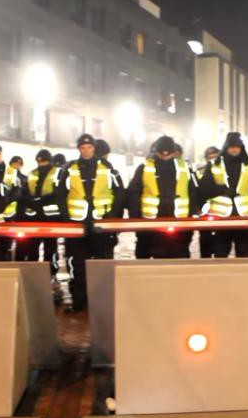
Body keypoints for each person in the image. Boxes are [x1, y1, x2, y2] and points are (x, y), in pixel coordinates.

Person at [59, 134, 125, 312]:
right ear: (79, 149)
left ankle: (101, 301)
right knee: (76, 265)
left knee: (102, 264)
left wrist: (111, 216)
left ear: (94, 148)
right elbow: (60, 195)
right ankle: (79, 300)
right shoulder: (70, 169)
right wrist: (67, 218)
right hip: (77, 226)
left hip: (100, 225)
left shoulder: (107, 168)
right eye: (83, 148)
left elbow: (120, 193)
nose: (86, 151)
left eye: (89, 147)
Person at [128, 136, 197, 259]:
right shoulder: (144, 168)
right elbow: (133, 193)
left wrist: (191, 218)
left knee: (178, 259)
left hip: (179, 224)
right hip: (150, 224)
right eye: (162, 153)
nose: (165, 156)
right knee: (148, 259)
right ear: (156, 151)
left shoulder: (185, 168)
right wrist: (136, 219)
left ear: (174, 152)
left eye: (168, 153)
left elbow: (194, 193)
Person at [198, 132, 248, 257]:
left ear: (241, 148)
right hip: (221, 219)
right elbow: (203, 189)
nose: (234, 149)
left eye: (237, 147)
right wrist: (221, 190)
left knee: (246, 255)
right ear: (226, 147)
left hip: (245, 218)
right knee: (220, 255)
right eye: (231, 147)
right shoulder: (214, 165)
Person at [17, 149, 63, 279]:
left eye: (44, 161)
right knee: (32, 248)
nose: (42, 164)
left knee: (50, 249)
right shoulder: (32, 174)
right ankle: (33, 275)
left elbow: (59, 193)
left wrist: (40, 201)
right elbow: (24, 193)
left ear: (50, 161)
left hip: (51, 218)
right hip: (33, 218)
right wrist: (31, 203)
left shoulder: (58, 173)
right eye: (40, 162)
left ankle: (51, 274)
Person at [196, 146, 221, 258]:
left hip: (221, 210)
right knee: (205, 239)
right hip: (204, 210)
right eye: (210, 157)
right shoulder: (199, 172)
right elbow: (196, 191)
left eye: (215, 157)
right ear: (206, 158)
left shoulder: (224, 171)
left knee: (221, 242)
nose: (213, 159)